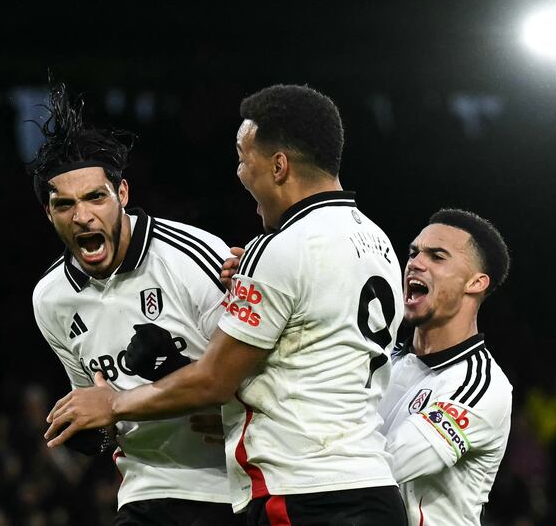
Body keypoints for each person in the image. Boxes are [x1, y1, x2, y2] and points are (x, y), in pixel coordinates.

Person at [44, 84, 408, 525]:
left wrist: (116, 404)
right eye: (64, 204)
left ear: (279, 166)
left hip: (302, 488)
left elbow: (217, 379)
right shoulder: (377, 242)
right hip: (366, 478)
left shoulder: (271, 250)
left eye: (242, 158)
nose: (238, 173)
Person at [29, 81, 243, 525]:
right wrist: (93, 433)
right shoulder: (50, 299)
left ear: (122, 194)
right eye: (64, 205)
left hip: (230, 485)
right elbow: (101, 408)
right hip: (145, 490)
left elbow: (240, 375)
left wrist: (122, 405)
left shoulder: (195, 257)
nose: (83, 216)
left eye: (95, 197)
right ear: (49, 214)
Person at [378, 209, 513, 525]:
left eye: (437, 257)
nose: (416, 262)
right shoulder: (385, 360)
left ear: (476, 283)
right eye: (414, 253)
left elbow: (383, 470)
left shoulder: (480, 386)